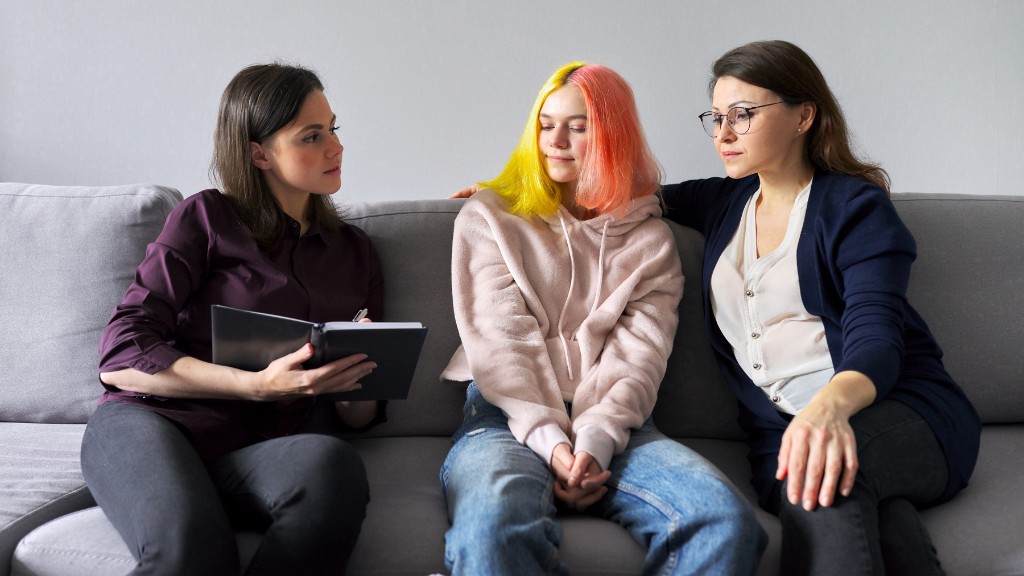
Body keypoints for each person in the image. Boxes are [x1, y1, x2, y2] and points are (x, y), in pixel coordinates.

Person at [660, 40, 981, 575]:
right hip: (778, 439)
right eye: (715, 118)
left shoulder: (855, 209)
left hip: (898, 412)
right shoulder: (722, 202)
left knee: (823, 483)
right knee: (870, 509)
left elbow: (876, 335)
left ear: (803, 115)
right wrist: (513, 195)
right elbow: (623, 193)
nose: (723, 134)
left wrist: (828, 411)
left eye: (742, 115)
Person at [440, 61, 766, 576]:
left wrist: (593, 443)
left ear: (612, 134)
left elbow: (637, 357)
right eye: (547, 125)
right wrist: (551, 443)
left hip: (620, 424)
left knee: (724, 521)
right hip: (505, 416)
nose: (556, 141)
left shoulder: (651, 241)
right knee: (491, 528)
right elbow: (503, 345)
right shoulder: (490, 218)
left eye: (579, 125)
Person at [81, 63, 384, 575]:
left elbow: (357, 418)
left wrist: (357, 375)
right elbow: (120, 353)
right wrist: (255, 386)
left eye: (333, 128)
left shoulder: (355, 251)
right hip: (152, 422)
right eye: (312, 136)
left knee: (334, 467)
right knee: (193, 547)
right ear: (257, 153)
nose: (335, 147)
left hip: (254, 450)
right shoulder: (205, 218)